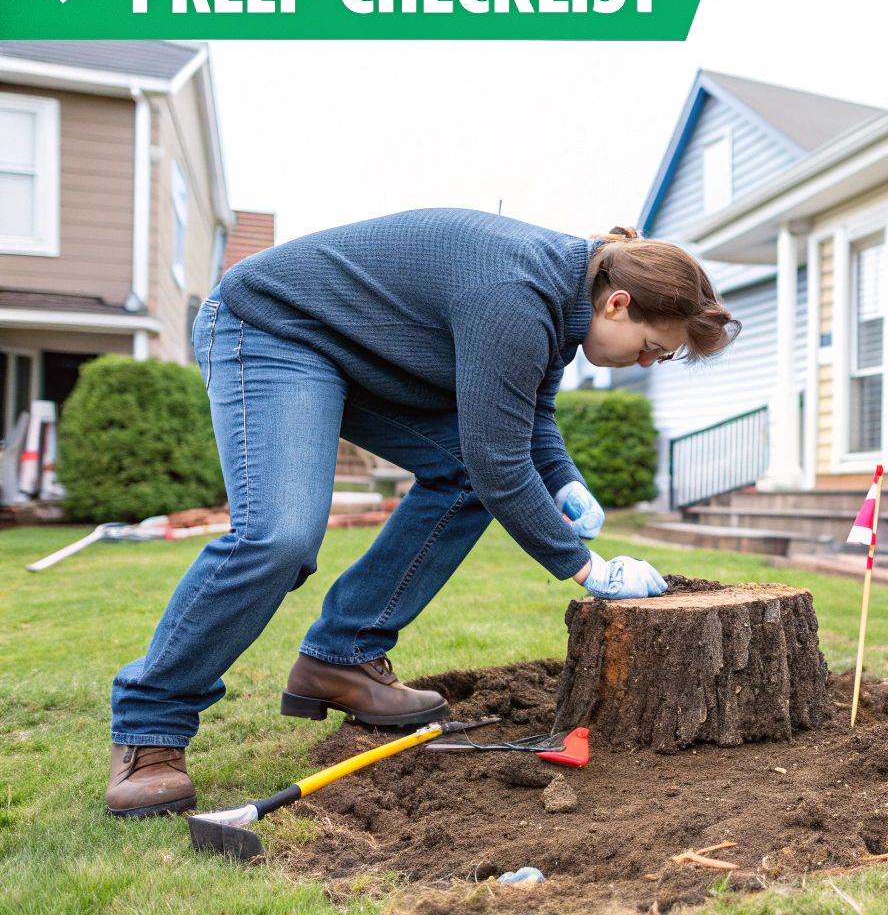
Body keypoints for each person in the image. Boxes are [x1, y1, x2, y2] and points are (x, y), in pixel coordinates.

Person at [104, 208, 738, 818]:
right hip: (271, 327)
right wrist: (585, 568)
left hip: (356, 354)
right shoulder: (518, 295)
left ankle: (342, 656)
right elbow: (500, 463)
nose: (649, 363)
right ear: (618, 303)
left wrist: (567, 482)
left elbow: (528, 420)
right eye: (653, 347)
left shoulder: (562, 301)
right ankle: (149, 727)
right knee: (279, 537)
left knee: (460, 475)